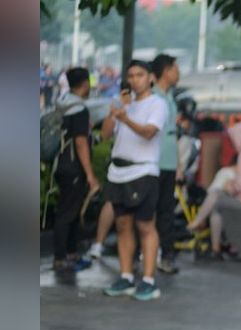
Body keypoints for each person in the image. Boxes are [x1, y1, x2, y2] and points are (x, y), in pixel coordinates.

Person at [101, 60, 169, 301]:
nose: (135, 79)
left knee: (145, 226)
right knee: (122, 225)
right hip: (118, 171)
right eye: (131, 75)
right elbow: (105, 134)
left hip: (143, 172)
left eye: (140, 75)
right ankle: (126, 275)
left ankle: (148, 279)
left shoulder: (157, 104)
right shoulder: (124, 104)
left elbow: (149, 133)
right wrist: (117, 111)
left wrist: (126, 118)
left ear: (150, 77)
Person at [186, 120, 241, 257]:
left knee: (217, 201)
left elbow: (239, 185)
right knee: (218, 197)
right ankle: (201, 223)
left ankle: (212, 244)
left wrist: (228, 185)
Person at [51, 67, 98, 284]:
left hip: (60, 164)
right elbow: (80, 142)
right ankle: (62, 256)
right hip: (74, 167)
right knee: (68, 212)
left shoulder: (62, 102)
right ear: (85, 83)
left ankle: (69, 253)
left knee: (67, 208)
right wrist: (90, 173)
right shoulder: (78, 108)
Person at [150, 54, 182, 275]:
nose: (178, 73)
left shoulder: (170, 97)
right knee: (148, 212)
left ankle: (166, 255)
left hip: (168, 162)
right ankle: (144, 255)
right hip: (153, 162)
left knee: (166, 211)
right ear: (166, 71)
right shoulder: (152, 98)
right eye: (175, 69)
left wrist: (178, 164)